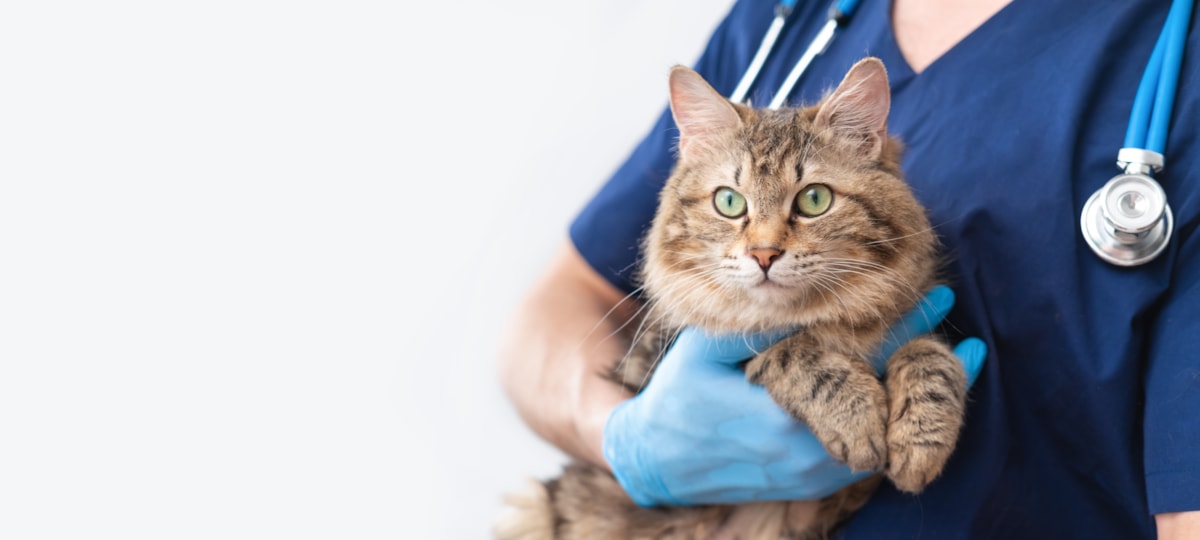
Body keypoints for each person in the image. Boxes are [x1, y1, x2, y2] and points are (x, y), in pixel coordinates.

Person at [499, 0, 1200, 537]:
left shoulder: (1180, 59)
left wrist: (922, 369)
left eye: (809, 201)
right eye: (736, 205)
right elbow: (564, 302)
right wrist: (625, 439)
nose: (766, 242)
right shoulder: (786, 16)